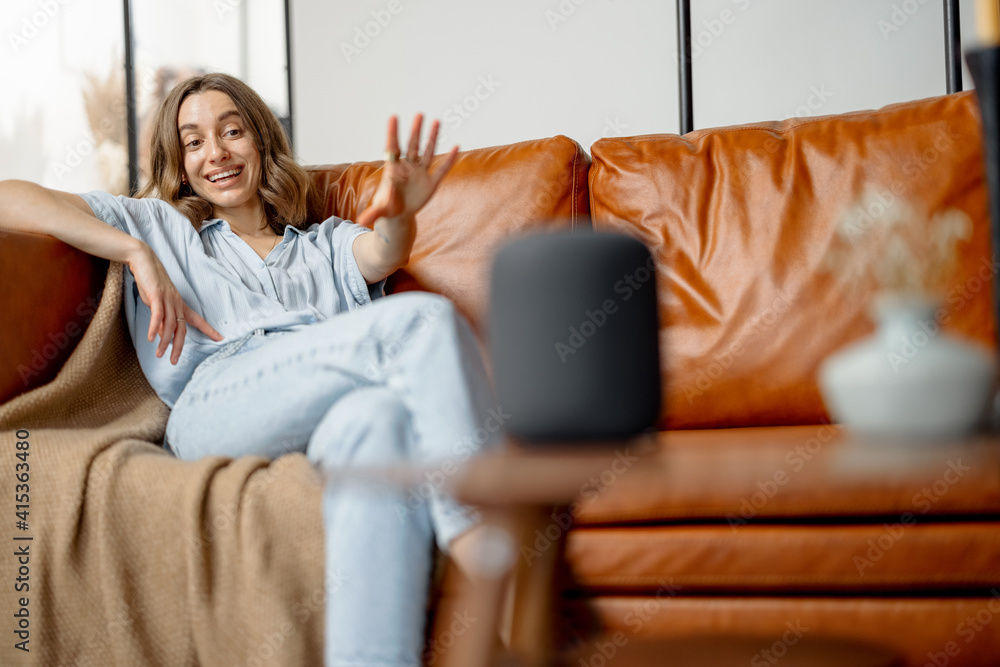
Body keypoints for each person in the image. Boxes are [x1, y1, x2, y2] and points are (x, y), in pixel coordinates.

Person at [0, 72, 502, 666]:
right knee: (421, 322)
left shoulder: (322, 245)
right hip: (217, 404)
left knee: (381, 421)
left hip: (323, 412)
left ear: (261, 140)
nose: (215, 152)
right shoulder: (162, 228)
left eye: (232, 131)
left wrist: (402, 216)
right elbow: (9, 195)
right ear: (180, 162)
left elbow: (383, 252)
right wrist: (133, 252)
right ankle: (491, 558)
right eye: (193, 141)